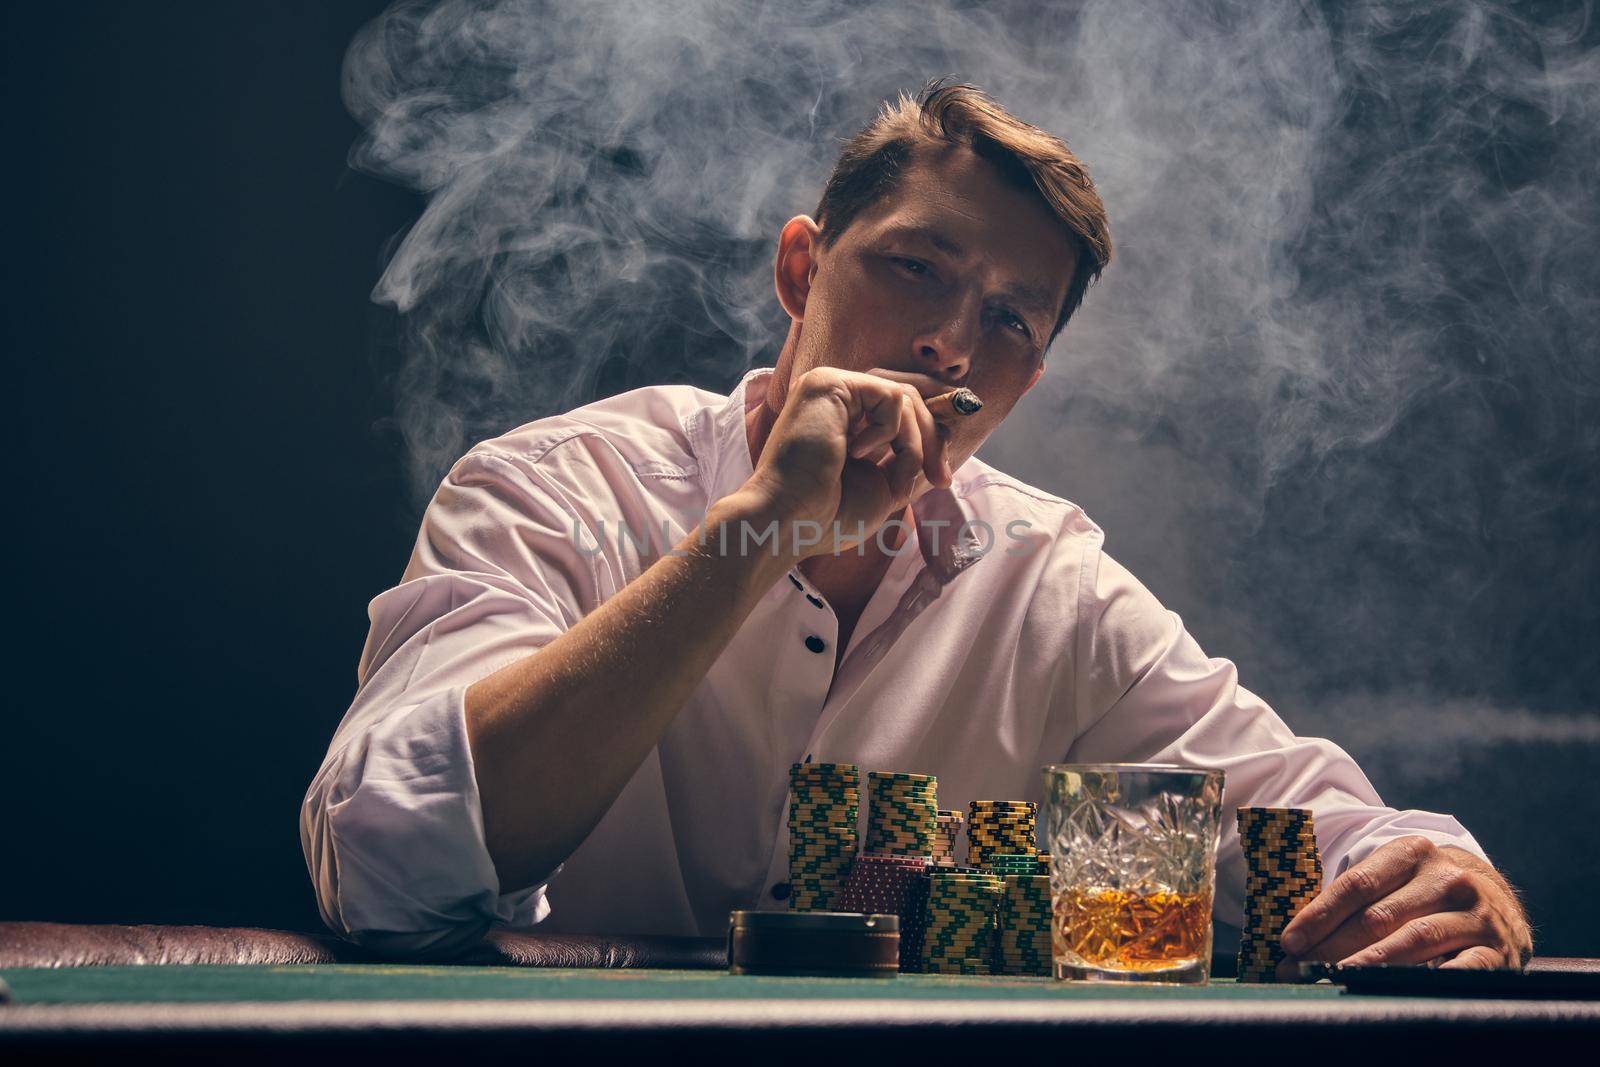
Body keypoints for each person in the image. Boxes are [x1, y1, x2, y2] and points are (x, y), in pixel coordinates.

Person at [301, 81, 1532, 972]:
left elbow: (1303, 806)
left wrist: (1438, 862)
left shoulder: (1051, 581)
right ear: (801, 270)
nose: (951, 341)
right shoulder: (556, 487)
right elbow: (383, 862)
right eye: (914, 268)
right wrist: (757, 535)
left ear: (1027, 379)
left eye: (1009, 320)